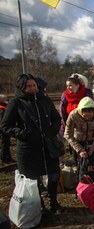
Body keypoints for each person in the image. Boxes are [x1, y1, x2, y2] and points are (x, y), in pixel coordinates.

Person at [2, 74, 63, 214]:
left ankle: (54, 202)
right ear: (22, 88)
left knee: (54, 173)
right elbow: (5, 126)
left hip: (48, 145)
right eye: (29, 86)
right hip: (28, 148)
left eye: (34, 85)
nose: (33, 88)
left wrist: (52, 131)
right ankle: (39, 205)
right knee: (33, 179)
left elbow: (56, 118)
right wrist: (23, 134)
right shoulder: (16, 103)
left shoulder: (45, 100)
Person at [64, 97, 94, 180]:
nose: (87, 115)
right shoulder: (73, 115)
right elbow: (68, 134)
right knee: (80, 164)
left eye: (90, 113)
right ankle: (81, 182)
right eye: (85, 112)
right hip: (77, 141)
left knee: (93, 163)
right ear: (80, 111)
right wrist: (80, 150)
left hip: (91, 140)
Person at [0, 94, 13, 164]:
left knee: (7, 143)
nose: (6, 100)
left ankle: (9, 158)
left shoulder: (4, 106)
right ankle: (4, 158)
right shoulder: (2, 108)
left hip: (5, 128)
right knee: (5, 144)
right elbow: (2, 120)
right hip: (3, 129)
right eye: (5, 98)